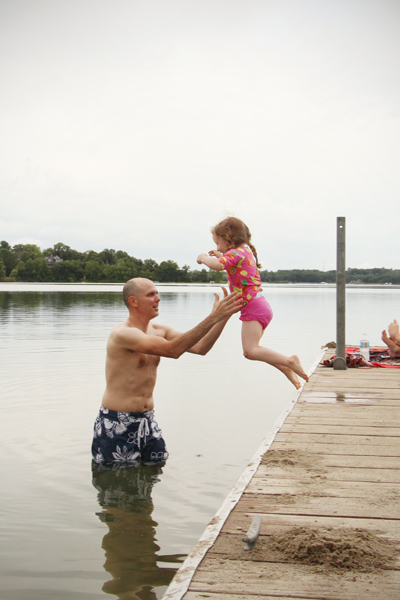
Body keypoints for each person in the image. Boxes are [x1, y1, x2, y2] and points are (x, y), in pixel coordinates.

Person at [91, 277, 241, 467]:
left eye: (157, 293)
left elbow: (201, 347)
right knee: (117, 486)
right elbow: (173, 350)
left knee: (153, 475)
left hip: (147, 420)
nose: (158, 299)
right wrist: (212, 317)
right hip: (117, 421)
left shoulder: (160, 330)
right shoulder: (122, 333)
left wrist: (223, 316)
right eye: (151, 295)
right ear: (133, 301)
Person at [197, 216, 309, 389]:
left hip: (254, 308)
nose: (217, 247)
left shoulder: (236, 253)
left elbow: (218, 266)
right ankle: (285, 367)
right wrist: (221, 254)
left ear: (228, 238)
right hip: (259, 306)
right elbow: (232, 265)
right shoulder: (244, 251)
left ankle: (290, 360)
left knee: (250, 351)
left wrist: (203, 258)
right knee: (256, 350)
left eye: (217, 242)